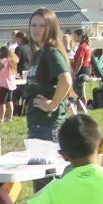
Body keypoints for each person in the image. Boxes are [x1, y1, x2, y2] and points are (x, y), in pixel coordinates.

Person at [24, 8, 73, 141]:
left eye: (42, 26)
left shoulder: (52, 53)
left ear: (51, 28)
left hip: (48, 126)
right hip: (38, 124)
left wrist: (52, 105)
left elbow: (66, 81)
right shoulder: (40, 53)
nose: (36, 29)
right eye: (33, 25)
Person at [0, 45, 19, 123]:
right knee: (10, 101)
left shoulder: (4, 60)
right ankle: (10, 118)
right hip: (11, 83)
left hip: (4, 83)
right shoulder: (12, 60)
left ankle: (1, 118)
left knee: (2, 102)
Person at [71, 30, 92, 105]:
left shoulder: (82, 47)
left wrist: (74, 73)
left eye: (75, 36)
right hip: (86, 69)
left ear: (79, 36)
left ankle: (82, 108)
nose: (74, 38)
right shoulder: (86, 45)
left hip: (82, 70)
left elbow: (80, 62)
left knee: (79, 92)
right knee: (82, 91)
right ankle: (83, 108)